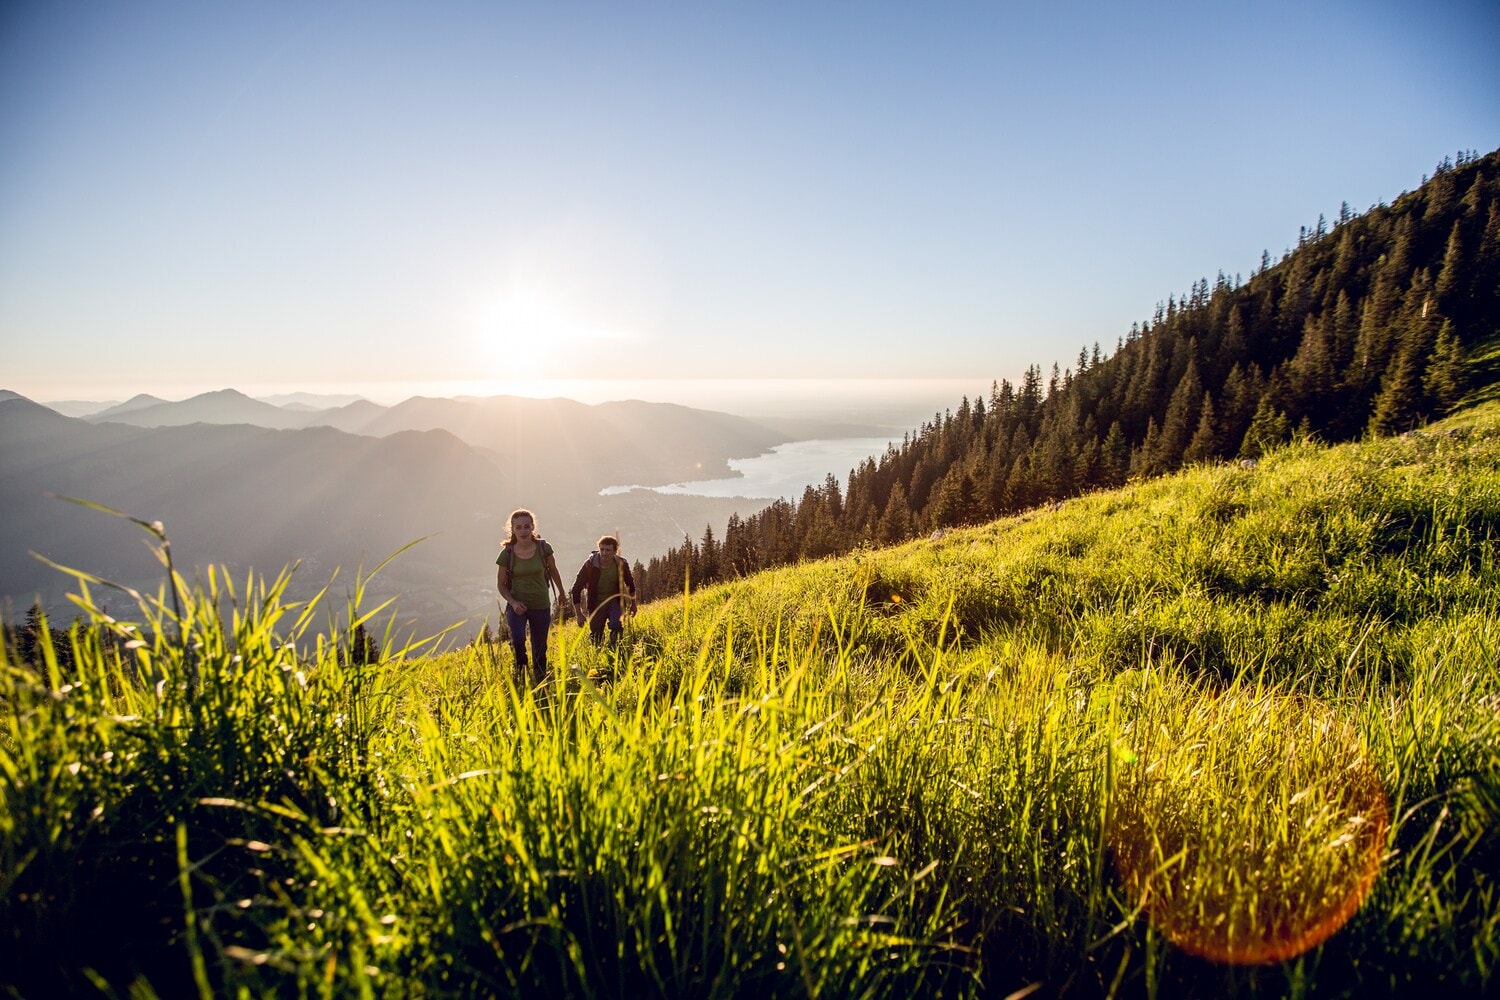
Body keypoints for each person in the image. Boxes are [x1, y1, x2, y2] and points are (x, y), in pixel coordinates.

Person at [495, 508, 566, 680]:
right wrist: (513, 602)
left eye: (527, 526)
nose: (523, 531)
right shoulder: (507, 554)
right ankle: (521, 673)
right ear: (512, 529)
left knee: (540, 646)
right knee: (518, 640)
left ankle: (540, 678)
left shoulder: (544, 548)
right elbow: (501, 584)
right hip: (517, 604)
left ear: (533, 526)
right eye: (518, 527)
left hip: (540, 603)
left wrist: (562, 594)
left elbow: (554, 571)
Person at [570, 534, 636, 647]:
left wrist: (633, 604)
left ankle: (615, 650)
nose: (604, 553)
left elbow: (630, 584)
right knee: (596, 635)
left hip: (615, 601)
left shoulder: (621, 564)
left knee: (617, 625)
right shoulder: (590, 565)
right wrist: (579, 614)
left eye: (608, 550)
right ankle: (597, 654)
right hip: (596, 604)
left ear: (615, 551)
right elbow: (576, 589)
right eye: (602, 549)